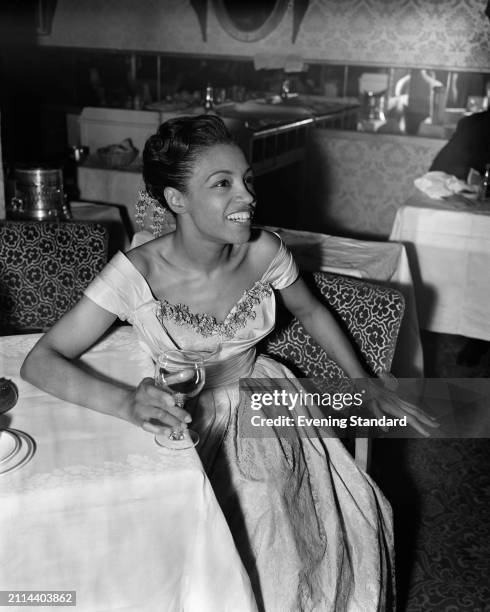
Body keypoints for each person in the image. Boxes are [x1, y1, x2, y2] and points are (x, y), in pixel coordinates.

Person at [21, 115, 436, 611]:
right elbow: (41, 360)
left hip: (264, 404)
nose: (247, 196)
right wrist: (127, 402)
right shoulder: (137, 273)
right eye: (222, 184)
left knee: (274, 523)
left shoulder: (264, 250)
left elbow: (309, 308)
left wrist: (362, 380)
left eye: (247, 181)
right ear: (177, 200)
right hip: (177, 412)